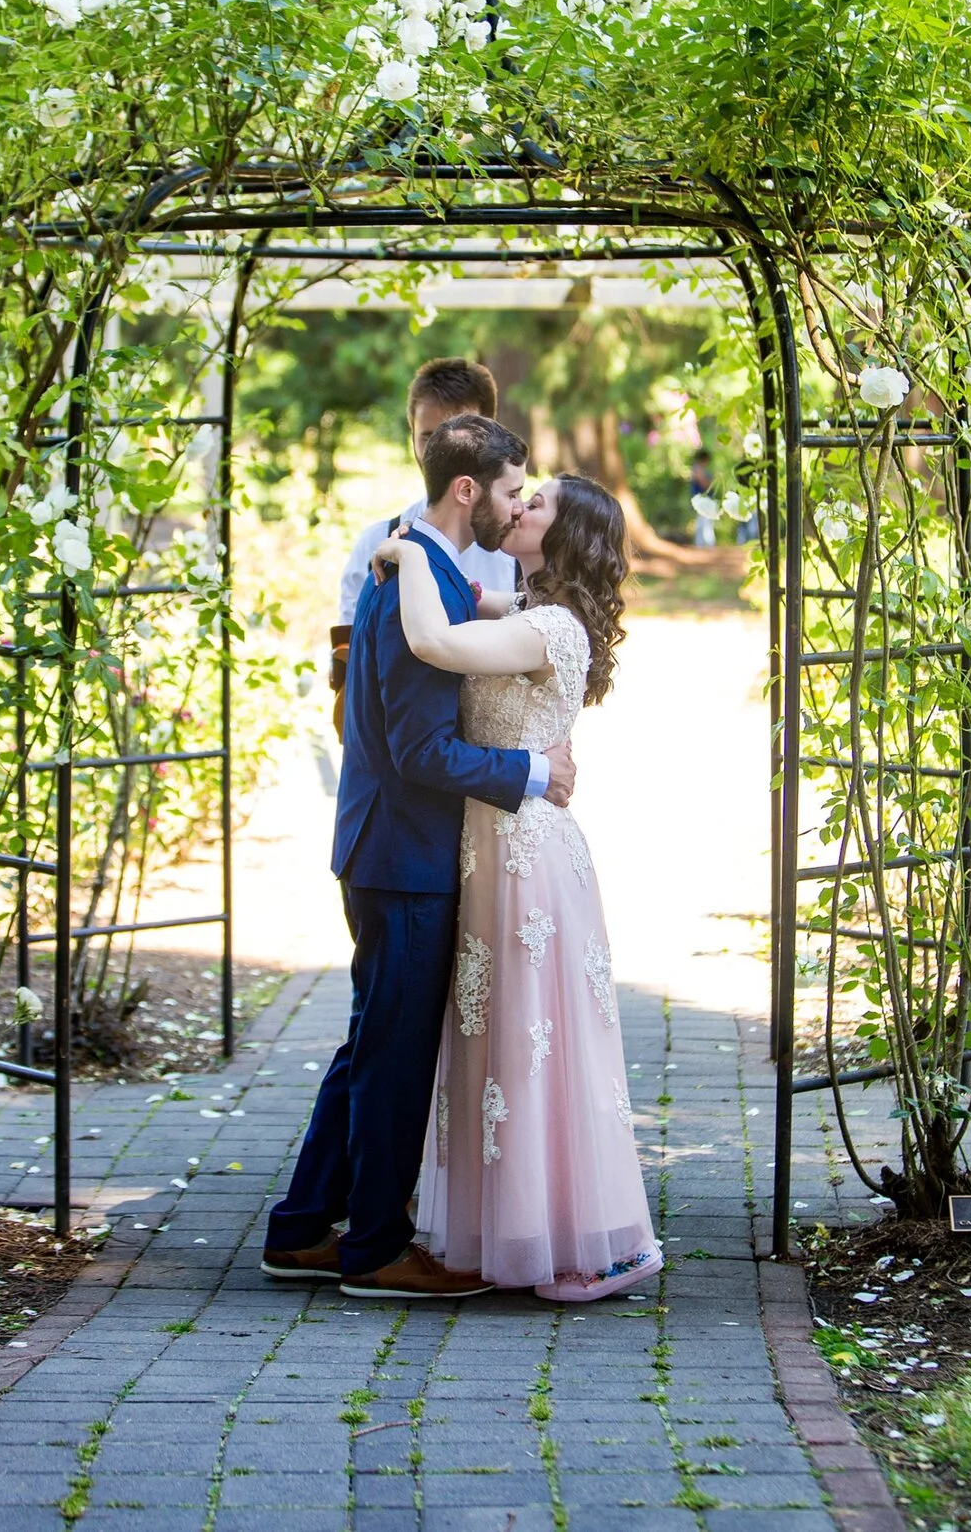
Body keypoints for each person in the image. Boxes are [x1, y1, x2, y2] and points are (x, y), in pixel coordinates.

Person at [262, 414, 576, 1300]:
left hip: (388, 846)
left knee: (373, 1044)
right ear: (467, 490)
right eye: (513, 490)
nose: (517, 506)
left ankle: (299, 1229)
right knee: (395, 1058)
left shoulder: (423, 566)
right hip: (403, 854)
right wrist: (531, 772)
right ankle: (373, 1250)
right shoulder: (420, 572)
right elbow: (423, 753)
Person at [370, 473, 663, 1303]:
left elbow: (435, 641)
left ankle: (559, 1238)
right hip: (492, 844)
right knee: (497, 1036)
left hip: (526, 854)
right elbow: (469, 603)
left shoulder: (550, 630)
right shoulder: (523, 608)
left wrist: (402, 550)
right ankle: (512, 1228)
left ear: (560, 537)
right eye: (520, 494)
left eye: (536, 505)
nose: (519, 507)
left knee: (528, 1043)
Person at [331, 359, 517, 726]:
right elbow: (352, 670)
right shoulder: (377, 541)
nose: (441, 456)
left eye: (458, 438)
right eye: (428, 438)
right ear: (411, 435)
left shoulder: (521, 546)